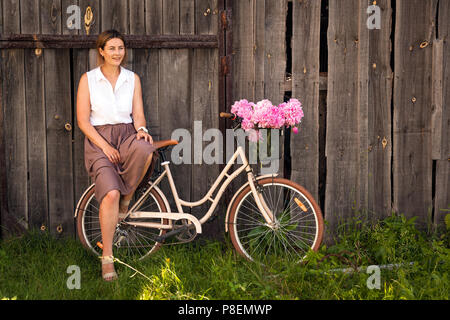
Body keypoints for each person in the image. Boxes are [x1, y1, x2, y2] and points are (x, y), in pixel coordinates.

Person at [77, 29, 156, 281]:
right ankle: (107, 258)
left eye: (120, 48)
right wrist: (105, 147)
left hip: (126, 135)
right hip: (98, 139)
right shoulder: (88, 79)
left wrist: (142, 130)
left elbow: (138, 113)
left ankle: (127, 200)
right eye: (111, 48)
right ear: (101, 51)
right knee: (110, 193)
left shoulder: (132, 78)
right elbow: (82, 121)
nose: (117, 53)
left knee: (146, 149)